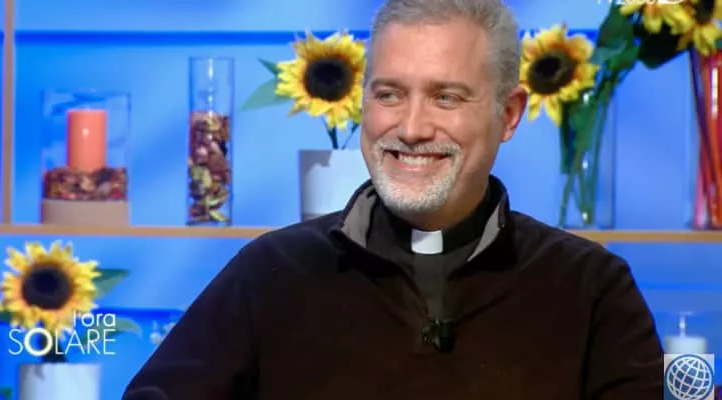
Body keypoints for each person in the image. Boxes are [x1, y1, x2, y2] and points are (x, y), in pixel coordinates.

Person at [123, 0, 664, 398]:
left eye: (446, 97)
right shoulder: (270, 272)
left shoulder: (591, 290)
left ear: (508, 114)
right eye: (389, 94)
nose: (411, 128)